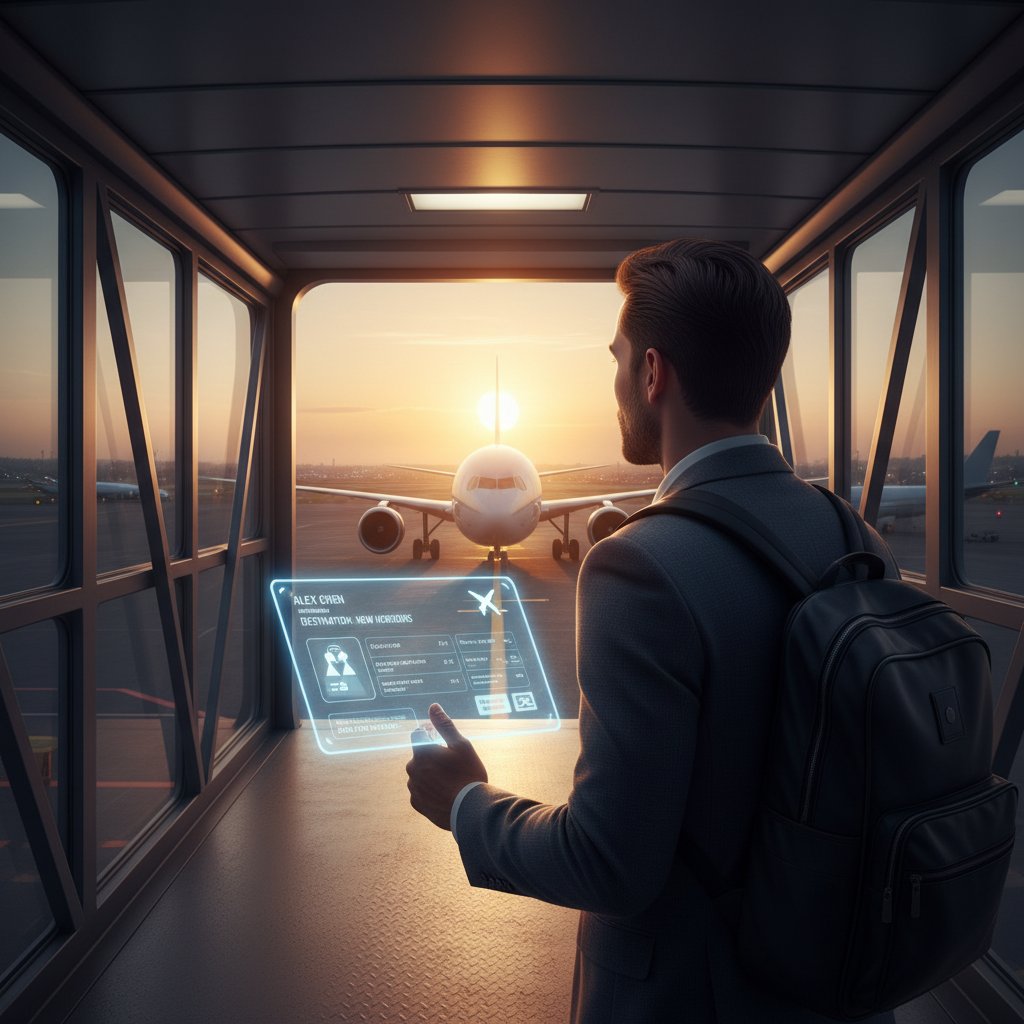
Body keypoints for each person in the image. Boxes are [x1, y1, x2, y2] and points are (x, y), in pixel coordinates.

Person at [405, 239, 898, 1023]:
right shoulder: (856, 536)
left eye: (618, 358)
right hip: (841, 983)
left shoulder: (638, 566)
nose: (614, 384)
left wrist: (466, 802)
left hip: (693, 994)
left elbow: (610, 864)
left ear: (652, 373)